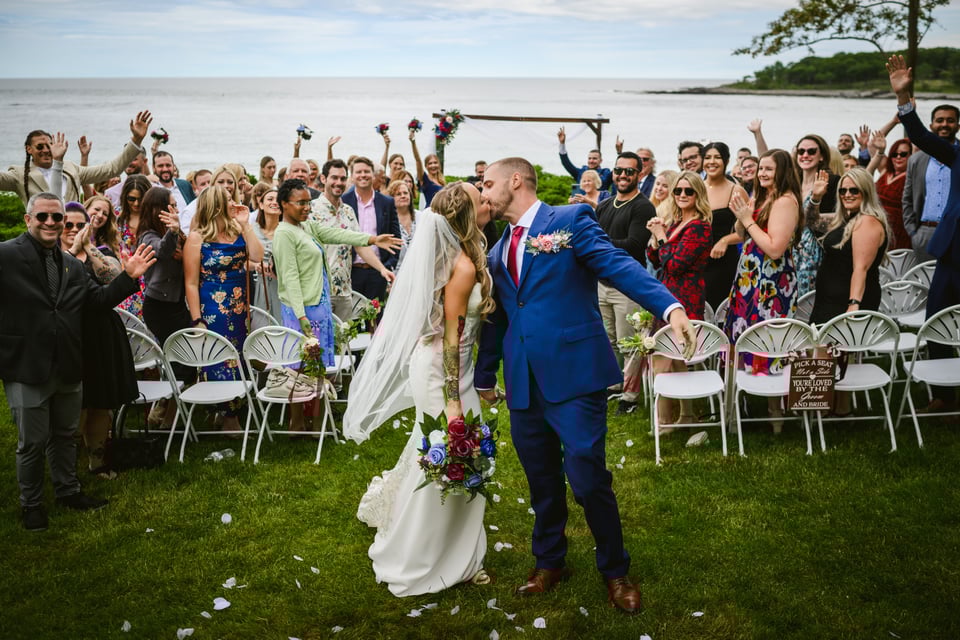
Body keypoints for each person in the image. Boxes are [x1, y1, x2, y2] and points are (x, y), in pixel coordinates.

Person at [474, 157, 695, 615]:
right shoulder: (498, 248)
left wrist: (670, 307)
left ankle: (615, 570)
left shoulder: (571, 219)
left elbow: (617, 264)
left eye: (488, 182)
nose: (483, 189)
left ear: (515, 181)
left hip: (575, 374)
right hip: (523, 380)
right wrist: (483, 375)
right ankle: (549, 562)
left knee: (588, 477)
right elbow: (497, 317)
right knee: (541, 479)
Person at [344, 182, 495, 596]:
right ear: (466, 214)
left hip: (446, 367)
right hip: (444, 373)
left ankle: (452, 546)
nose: (488, 201)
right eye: (480, 198)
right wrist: (452, 405)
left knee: (434, 451)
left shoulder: (458, 255)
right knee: (454, 453)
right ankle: (425, 553)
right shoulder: (462, 266)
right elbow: (451, 339)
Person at [1, 192, 155, 531]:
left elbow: (97, 301)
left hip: (69, 364)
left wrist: (128, 278)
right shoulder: (7, 255)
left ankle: (68, 490)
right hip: (27, 365)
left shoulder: (71, 264)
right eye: (43, 217)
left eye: (57, 218)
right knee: (32, 442)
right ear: (29, 220)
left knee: (65, 434)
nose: (51, 223)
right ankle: (32, 505)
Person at [273, 179, 399, 430]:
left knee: (318, 367)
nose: (307, 207)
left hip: (319, 305)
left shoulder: (306, 226)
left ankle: (319, 420)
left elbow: (336, 233)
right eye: (301, 203)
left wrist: (371, 239)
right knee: (299, 368)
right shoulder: (284, 233)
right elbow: (290, 278)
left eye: (309, 202)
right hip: (303, 310)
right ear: (284, 205)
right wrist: (301, 316)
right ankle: (297, 423)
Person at [888, 55, 960, 413]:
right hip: (949, 254)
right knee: (936, 324)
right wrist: (903, 99)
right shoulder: (955, 153)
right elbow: (918, 136)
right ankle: (943, 397)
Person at [724, 149, 802, 431]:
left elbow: (774, 247)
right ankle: (738, 407)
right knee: (745, 333)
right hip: (750, 281)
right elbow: (744, 233)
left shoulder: (785, 201)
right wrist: (742, 212)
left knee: (770, 338)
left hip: (771, 284)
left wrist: (748, 219)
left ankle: (775, 414)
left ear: (782, 171)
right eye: (761, 169)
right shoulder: (764, 196)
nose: (762, 173)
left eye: (769, 169)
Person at [61, 201, 138, 478]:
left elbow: (116, 279)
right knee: (75, 406)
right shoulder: (50, 257)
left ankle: (98, 461)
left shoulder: (100, 253)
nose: (73, 229)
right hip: (70, 338)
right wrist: (72, 251)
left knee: (100, 402)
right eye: (67, 224)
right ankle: (66, 467)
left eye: (80, 225)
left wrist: (88, 247)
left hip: (102, 335)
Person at [183, 185, 264, 433]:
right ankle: (227, 415)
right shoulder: (197, 238)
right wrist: (197, 319)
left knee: (239, 356)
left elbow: (258, 256)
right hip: (212, 307)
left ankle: (228, 413)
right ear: (216, 205)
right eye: (228, 199)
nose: (233, 202)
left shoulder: (238, 230)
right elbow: (191, 282)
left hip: (239, 306)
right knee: (220, 358)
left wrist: (246, 225)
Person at [646, 171, 713, 429]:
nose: (682, 195)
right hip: (666, 295)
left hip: (684, 298)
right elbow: (657, 260)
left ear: (698, 195)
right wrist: (656, 236)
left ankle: (663, 422)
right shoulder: (675, 223)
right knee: (672, 359)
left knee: (662, 360)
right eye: (678, 191)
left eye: (688, 191)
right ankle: (685, 415)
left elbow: (675, 265)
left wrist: (662, 237)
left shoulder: (699, 227)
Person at [594, 151, 657, 415]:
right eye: (618, 170)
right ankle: (613, 384)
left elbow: (634, 245)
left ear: (639, 174)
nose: (622, 176)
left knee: (629, 342)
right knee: (607, 339)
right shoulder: (605, 205)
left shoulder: (643, 206)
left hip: (627, 285)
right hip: (601, 283)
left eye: (629, 171)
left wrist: (599, 243)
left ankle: (630, 396)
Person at [1, 111, 151, 204]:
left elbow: (111, 169)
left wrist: (136, 140)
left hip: (74, 234)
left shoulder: (70, 168)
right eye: (40, 146)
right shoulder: (20, 174)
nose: (46, 150)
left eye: (50, 145)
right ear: (29, 149)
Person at [138, 186, 196, 407]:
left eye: (175, 205)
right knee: (180, 357)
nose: (175, 209)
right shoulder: (148, 236)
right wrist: (173, 231)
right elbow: (161, 252)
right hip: (159, 307)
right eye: (170, 205)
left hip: (175, 306)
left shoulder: (173, 234)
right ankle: (166, 409)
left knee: (184, 358)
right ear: (157, 209)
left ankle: (169, 410)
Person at [810, 168, 890, 324]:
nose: (847, 195)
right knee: (819, 346)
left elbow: (860, 268)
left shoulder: (867, 221)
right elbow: (810, 222)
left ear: (866, 191)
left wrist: (853, 304)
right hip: (829, 301)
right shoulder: (845, 219)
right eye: (842, 190)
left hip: (846, 302)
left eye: (854, 190)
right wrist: (816, 198)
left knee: (838, 348)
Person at [901, 99, 959, 263]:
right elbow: (907, 198)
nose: (944, 125)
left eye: (950, 120)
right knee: (924, 284)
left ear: (958, 126)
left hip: (956, 231)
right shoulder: (916, 160)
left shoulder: (958, 156)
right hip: (926, 232)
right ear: (931, 125)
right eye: (939, 120)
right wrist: (913, 232)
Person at [342, 157, 401, 303]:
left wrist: (387, 266)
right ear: (352, 176)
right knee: (351, 321)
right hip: (352, 271)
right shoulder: (343, 201)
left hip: (378, 272)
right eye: (358, 172)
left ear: (373, 175)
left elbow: (395, 238)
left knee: (376, 318)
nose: (363, 175)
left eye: (366, 171)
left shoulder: (386, 202)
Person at [703, 142, 749, 309]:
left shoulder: (736, 191)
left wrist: (725, 240)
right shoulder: (695, 188)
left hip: (722, 263)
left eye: (717, 157)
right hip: (696, 260)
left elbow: (748, 230)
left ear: (727, 161)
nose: (712, 162)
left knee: (719, 310)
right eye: (707, 157)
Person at [793, 134, 840, 298]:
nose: (805, 155)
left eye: (811, 151)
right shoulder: (792, 183)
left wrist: (816, 199)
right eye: (801, 151)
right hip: (789, 251)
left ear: (821, 156)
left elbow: (841, 219)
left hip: (816, 252)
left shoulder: (833, 182)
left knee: (807, 301)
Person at [867, 133, 913, 249]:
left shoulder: (913, 175)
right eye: (894, 154)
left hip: (899, 230)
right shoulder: (885, 171)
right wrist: (893, 121)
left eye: (903, 154)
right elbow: (872, 144)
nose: (898, 157)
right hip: (877, 225)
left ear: (911, 156)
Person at [116, 174, 154, 318]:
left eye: (141, 198)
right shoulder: (118, 216)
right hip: (125, 274)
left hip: (150, 275)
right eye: (132, 199)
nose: (137, 203)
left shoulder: (153, 217)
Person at [251, 186, 282, 320]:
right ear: (261, 205)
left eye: (278, 200)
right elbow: (242, 262)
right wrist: (256, 266)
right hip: (259, 285)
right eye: (270, 199)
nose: (275, 202)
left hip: (282, 285)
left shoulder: (287, 231)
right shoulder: (251, 230)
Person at [557, 127, 612, 192]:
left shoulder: (606, 174)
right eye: (589, 158)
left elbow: (619, 171)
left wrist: (619, 153)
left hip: (599, 202)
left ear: (600, 161)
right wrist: (562, 144)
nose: (591, 161)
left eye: (594, 158)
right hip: (581, 201)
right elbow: (566, 163)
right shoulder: (580, 172)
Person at [386, 179, 419, 271]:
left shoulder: (421, 217)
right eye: (398, 194)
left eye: (405, 193)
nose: (403, 196)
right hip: (396, 272)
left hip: (419, 270)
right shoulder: (388, 220)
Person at [409, 131, 445, 207]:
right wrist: (413, 142)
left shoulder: (441, 181)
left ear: (439, 164)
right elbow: (418, 160)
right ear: (426, 166)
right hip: (430, 212)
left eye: (435, 162)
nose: (433, 165)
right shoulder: (425, 179)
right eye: (430, 163)